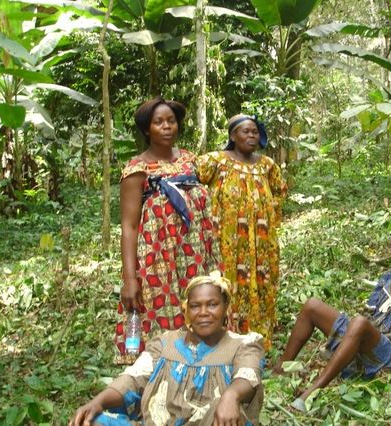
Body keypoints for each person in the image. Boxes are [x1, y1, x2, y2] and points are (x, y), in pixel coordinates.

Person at [272, 221, 391, 411]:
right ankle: (279, 369)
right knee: (312, 305)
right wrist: (358, 332)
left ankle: (311, 392)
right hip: (368, 333)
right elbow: (369, 309)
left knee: (360, 324)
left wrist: (370, 333)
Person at [70, 274, 264, 426]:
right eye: (196, 306)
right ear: (186, 311)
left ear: (225, 308)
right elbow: (133, 378)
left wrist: (231, 396)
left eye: (212, 304)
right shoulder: (164, 344)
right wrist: (98, 402)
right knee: (92, 422)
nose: (204, 312)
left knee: (217, 408)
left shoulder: (244, 344)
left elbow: (248, 375)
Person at [115, 97, 222, 364]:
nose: (167, 127)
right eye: (159, 122)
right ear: (146, 129)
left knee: (200, 303)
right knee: (162, 311)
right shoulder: (137, 170)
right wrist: (130, 279)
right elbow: (128, 227)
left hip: (196, 255)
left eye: (171, 121)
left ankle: (203, 361)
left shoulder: (189, 160)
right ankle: (163, 368)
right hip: (159, 259)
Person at [197, 115, 287, 350]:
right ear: (233, 136)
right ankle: (225, 340)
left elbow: (279, 192)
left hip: (261, 243)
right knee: (227, 284)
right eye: (245, 131)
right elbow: (192, 178)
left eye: (255, 132)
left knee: (261, 284)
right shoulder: (216, 161)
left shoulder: (267, 165)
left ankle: (258, 341)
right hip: (228, 242)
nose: (251, 136)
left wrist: (267, 219)